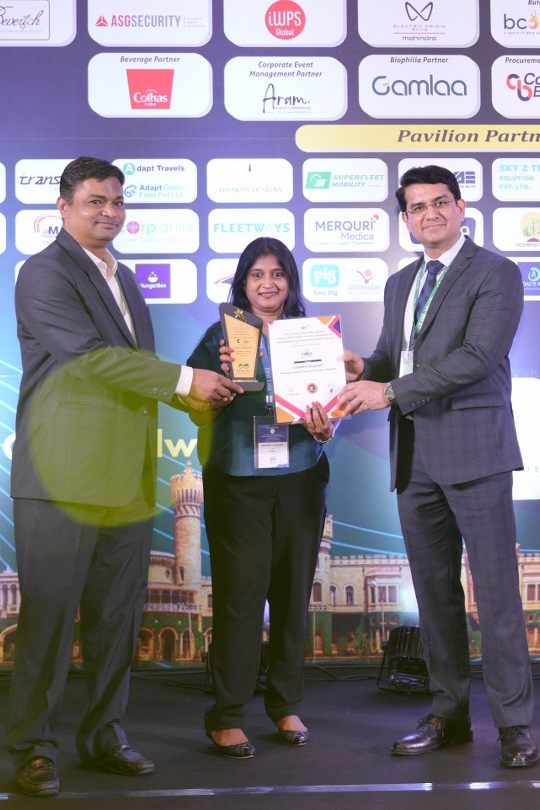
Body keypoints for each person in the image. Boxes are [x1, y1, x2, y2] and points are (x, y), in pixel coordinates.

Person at [6, 157, 242, 797]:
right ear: (63, 207)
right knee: (50, 623)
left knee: (116, 621)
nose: (108, 212)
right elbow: (90, 361)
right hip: (61, 479)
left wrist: (200, 394)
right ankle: (33, 748)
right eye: (94, 201)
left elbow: (138, 372)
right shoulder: (43, 273)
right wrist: (187, 380)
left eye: (116, 201)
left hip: (128, 479)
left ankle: (105, 735)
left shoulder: (125, 278)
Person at [334, 165, 538, 769]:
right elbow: (393, 357)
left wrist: (390, 391)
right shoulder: (401, 282)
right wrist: (362, 370)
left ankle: (515, 726)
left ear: (461, 206)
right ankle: (448, 715)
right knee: (434, 595)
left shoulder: (495, 272)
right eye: (418, 207)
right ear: (406, 219)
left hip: (476, 453)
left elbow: (478, 357)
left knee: (497, 596)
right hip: (414, 457)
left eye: (440, 202)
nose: (431, 214)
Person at [186, 238, 334, 759]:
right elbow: (193, 405)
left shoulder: (313, 336)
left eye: (277, 274)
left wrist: (326, 426)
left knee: (293, 596)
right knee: (240, 597)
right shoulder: (221, 337)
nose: (267, 284)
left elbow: (330, 407)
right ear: (242, 283)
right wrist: (220, 385)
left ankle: (285, 704)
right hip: (237, 479)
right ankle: (227, 715)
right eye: (256, 274)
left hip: (300, 476)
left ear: (290, 281)